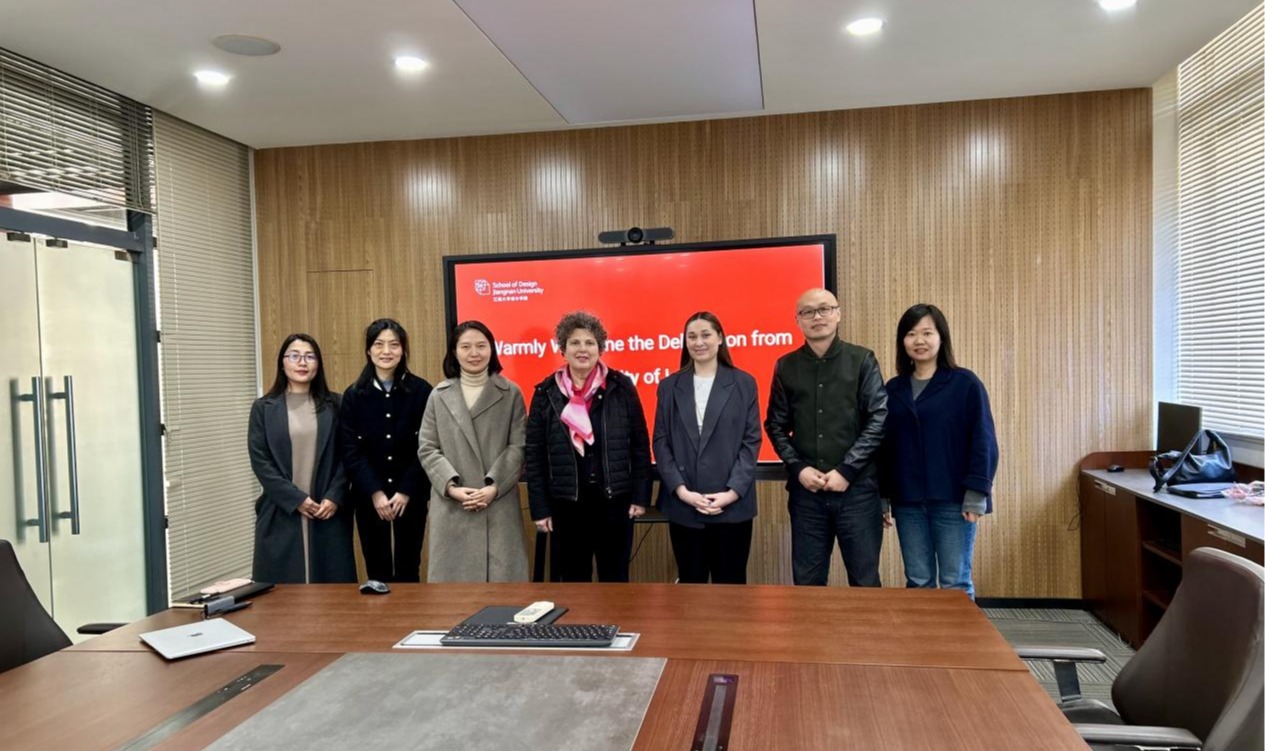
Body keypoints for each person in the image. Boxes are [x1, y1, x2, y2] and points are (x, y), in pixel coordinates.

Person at [764, 288, 888, 587]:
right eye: (807, 312)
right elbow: (775, 425)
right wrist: (798, 468)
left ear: (838, 313)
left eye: (824, 309)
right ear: (797, 320)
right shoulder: (786, 366)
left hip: (857, 492)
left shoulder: (862, 360)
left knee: (865, 581)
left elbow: (879, 419)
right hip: (807, 495)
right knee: (807, 583)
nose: (817, 317)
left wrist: (847, 470)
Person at [880, 304, 999, 599]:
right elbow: (883, 448)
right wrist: (882, 497)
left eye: (927, 333)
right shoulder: (893, 389)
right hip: (907, 502)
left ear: (941, 337)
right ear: (902, 341)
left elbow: (983, 441)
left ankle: (961, 633)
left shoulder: (964, 383)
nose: (919, 341)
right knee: (918, 581)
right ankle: (922, 633)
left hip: (953, 500)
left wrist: (977, 494)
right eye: (911, 334)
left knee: (955, 583)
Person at [526, 311, 652, 583]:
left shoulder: (621, 386)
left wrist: (641, 496)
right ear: (563, 349)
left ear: (600, 348)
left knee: (615, 580)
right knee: (573, 582)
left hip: (614, 501)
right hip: (566, 504)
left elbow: (640, 445)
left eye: (589, 342)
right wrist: (540, 508)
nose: (582, 349)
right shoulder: (546, 392)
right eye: (574, 342)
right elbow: (534, 455)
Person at [653, 312, 762, 584]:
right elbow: (661, 442)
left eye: (705, 335)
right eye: (691, 336)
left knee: (731, 588)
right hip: (685, 505)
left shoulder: (744, 383)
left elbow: (751, 441)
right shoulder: (669, 386)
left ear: (720, 338)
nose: (698, 342)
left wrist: (732, 493)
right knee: (691, 589)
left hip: (732, 507)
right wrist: (682, 491)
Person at [418, 321, 529, 582]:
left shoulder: (511, 393)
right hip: (453, 506)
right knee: (455, 596)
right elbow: (428, 447)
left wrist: (493, 487)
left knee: (503, 593)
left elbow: (518, 446)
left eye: (481, 346)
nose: (474, 353)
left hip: (497, 503)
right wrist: (452, 487)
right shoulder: (438, 395)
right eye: (466, 347)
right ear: (454, 352)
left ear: (492, 349)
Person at [248, 334, 355, 583]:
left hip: (327, 510)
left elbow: (348, 455)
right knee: (282, 593)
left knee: (331, 589)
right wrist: (296, 499)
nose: (302, 362)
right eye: (294, 356)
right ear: (282, 363)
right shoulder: (264, 408)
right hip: (281, 509)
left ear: (318, 363)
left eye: (309, 356)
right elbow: (261, 461)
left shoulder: (336, 404)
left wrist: (335, 495)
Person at [339, 319, 433, 583]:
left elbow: (428, 445)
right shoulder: (354, 395)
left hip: (411, 495)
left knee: (409, 566)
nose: (386, 351)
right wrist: (375, 492)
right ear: (368, 350)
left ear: (403, 349)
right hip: (368, 497)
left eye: (394, 344)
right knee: (376, 569)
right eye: (379, 344)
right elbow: (350, 450)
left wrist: (405, 490)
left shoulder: (422, 391)